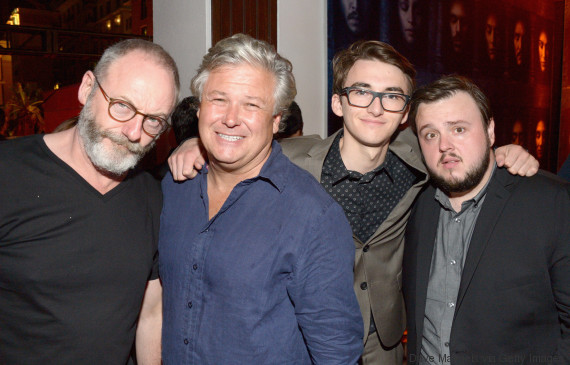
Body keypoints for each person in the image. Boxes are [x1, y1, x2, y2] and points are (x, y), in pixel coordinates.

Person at [168, 39, 539, 365]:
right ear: (338, 103)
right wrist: (195, 145)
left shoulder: (421, 158)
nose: (376, 108)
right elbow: (239, 143)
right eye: (361, 91)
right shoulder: (291, 161)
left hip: (386, 342)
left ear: (405, 113)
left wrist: (505, 153)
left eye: (392, 96)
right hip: (308, 340)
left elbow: (463, 150)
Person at [158, 34, 363, 364]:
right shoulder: (174, 186)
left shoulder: (312, 216)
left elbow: (336, 352)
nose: (230, 118)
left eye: (252, 104)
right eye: (218, 99)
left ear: (277, 120)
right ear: (199, 109)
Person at [0, 39, 179, 364]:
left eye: (153, 120)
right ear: (86, 89)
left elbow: (151, 312)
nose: (134, 132)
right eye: (122, 105)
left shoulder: (152, 195)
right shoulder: (7, 172)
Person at [403, 75, 569, 364]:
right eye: (430, 134)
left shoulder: (550, 202)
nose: (445, 145)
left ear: (491, 132)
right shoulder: (414, 203)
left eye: (458, 129)